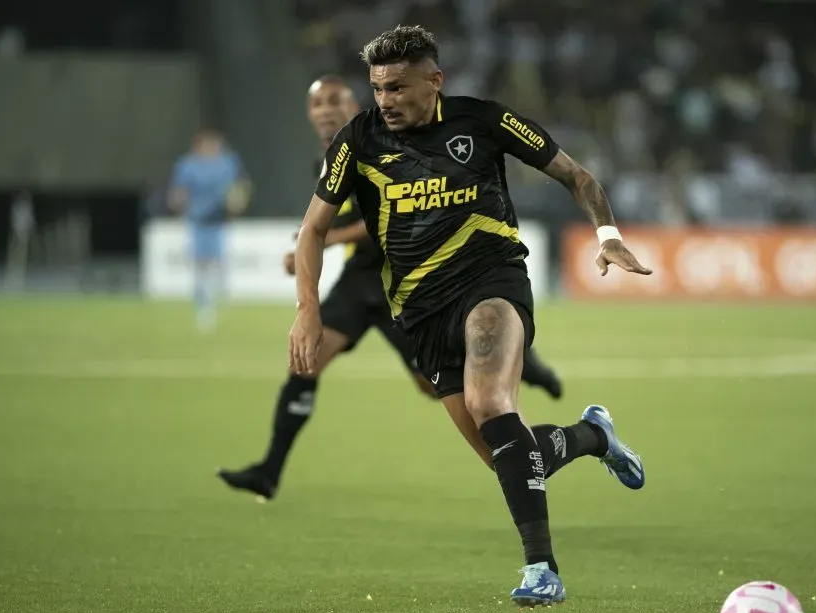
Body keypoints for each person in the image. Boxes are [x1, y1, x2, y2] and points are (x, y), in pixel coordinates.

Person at [289, 26, 652, 608]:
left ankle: (542, 570)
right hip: (420, 314)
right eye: (378, 88)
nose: (386, 100)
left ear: (435, 81)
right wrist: (307, 310)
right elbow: (312, 230)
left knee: (490, 403)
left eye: (399, 87)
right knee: (510, 459)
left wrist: (607, 236)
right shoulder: (357, 141)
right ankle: (592, 435)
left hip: (492, 282)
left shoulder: (483, 121)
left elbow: (577, 176)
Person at [217, 74, 564, 502]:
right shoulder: (328, 162)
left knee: (436, 384)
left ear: (354, 105)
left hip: (404, 284)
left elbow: (391, 216)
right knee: (305, 363)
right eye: (316, 104)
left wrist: (330, 238)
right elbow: (327, 224)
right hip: (357, 284)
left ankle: (525, 366)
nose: (325, 110)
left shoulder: (381, 144)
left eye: (334, 101)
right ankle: (269, 471)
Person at [168, 129, 250, 332]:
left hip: (219, 221)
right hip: (197, 221)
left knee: (220, 262)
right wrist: (178, 205)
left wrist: (236, 203)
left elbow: (239, 187)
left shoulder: (227, 163)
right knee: (200, 264)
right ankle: (204, 306)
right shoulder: (187, 165)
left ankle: (222, 298)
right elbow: (179, 192)